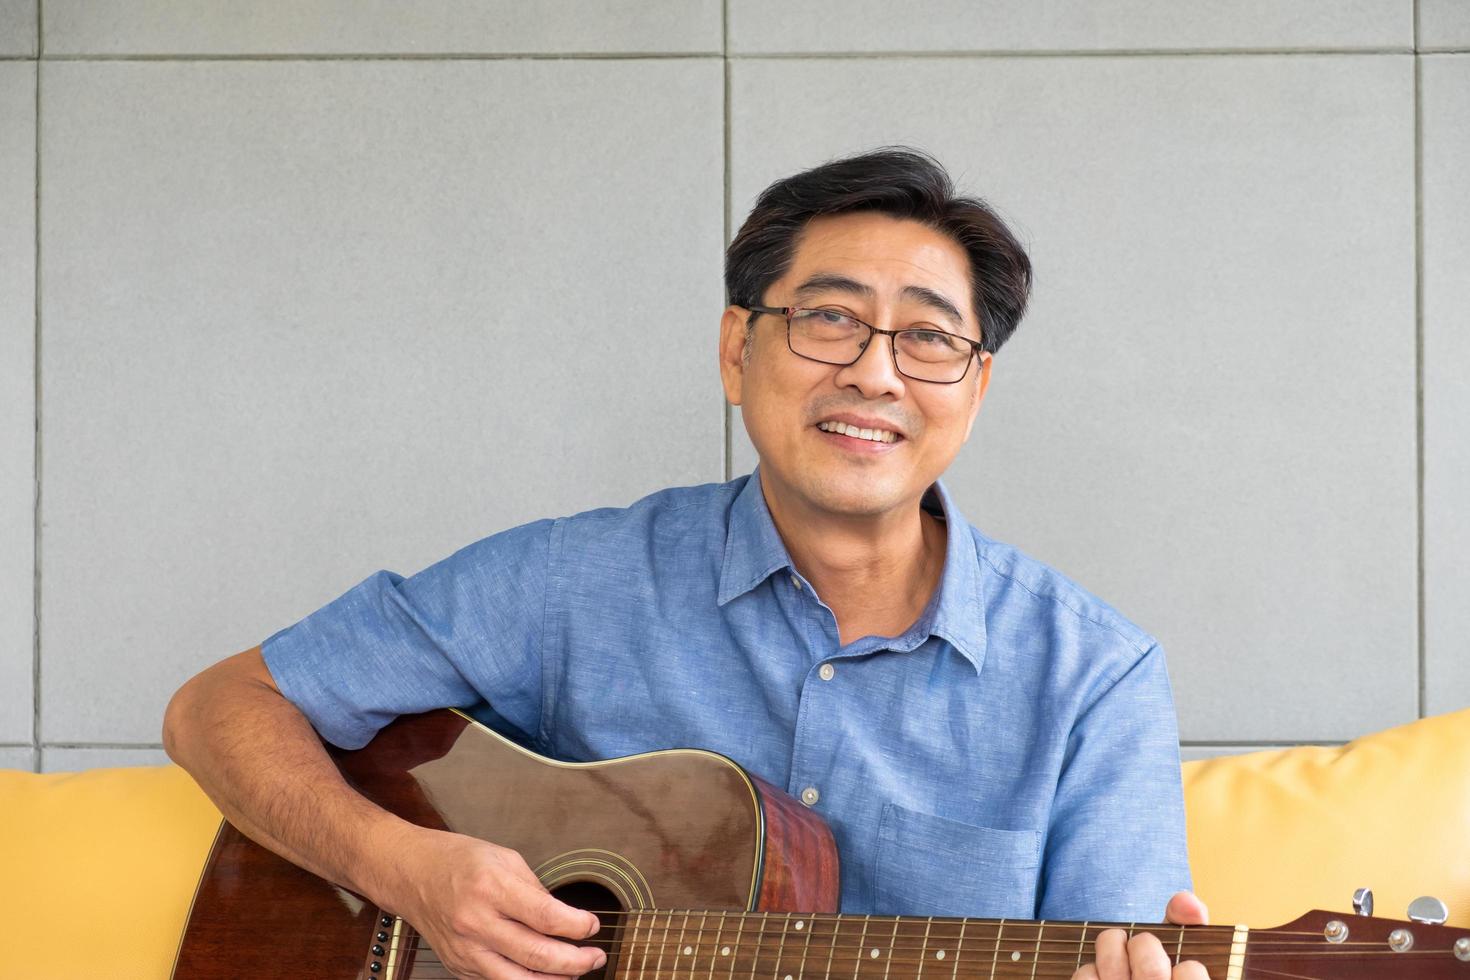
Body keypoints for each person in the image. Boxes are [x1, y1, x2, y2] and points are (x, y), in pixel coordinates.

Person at [164, 147, 1210, 980]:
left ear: (974, 392)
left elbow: (1123, 951)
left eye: (930, 338)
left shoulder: (1096, 678)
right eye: (830, 318)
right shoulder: (575, 578)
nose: (875, 372)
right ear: (734, 350)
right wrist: (408, 869)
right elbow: (219, 705)